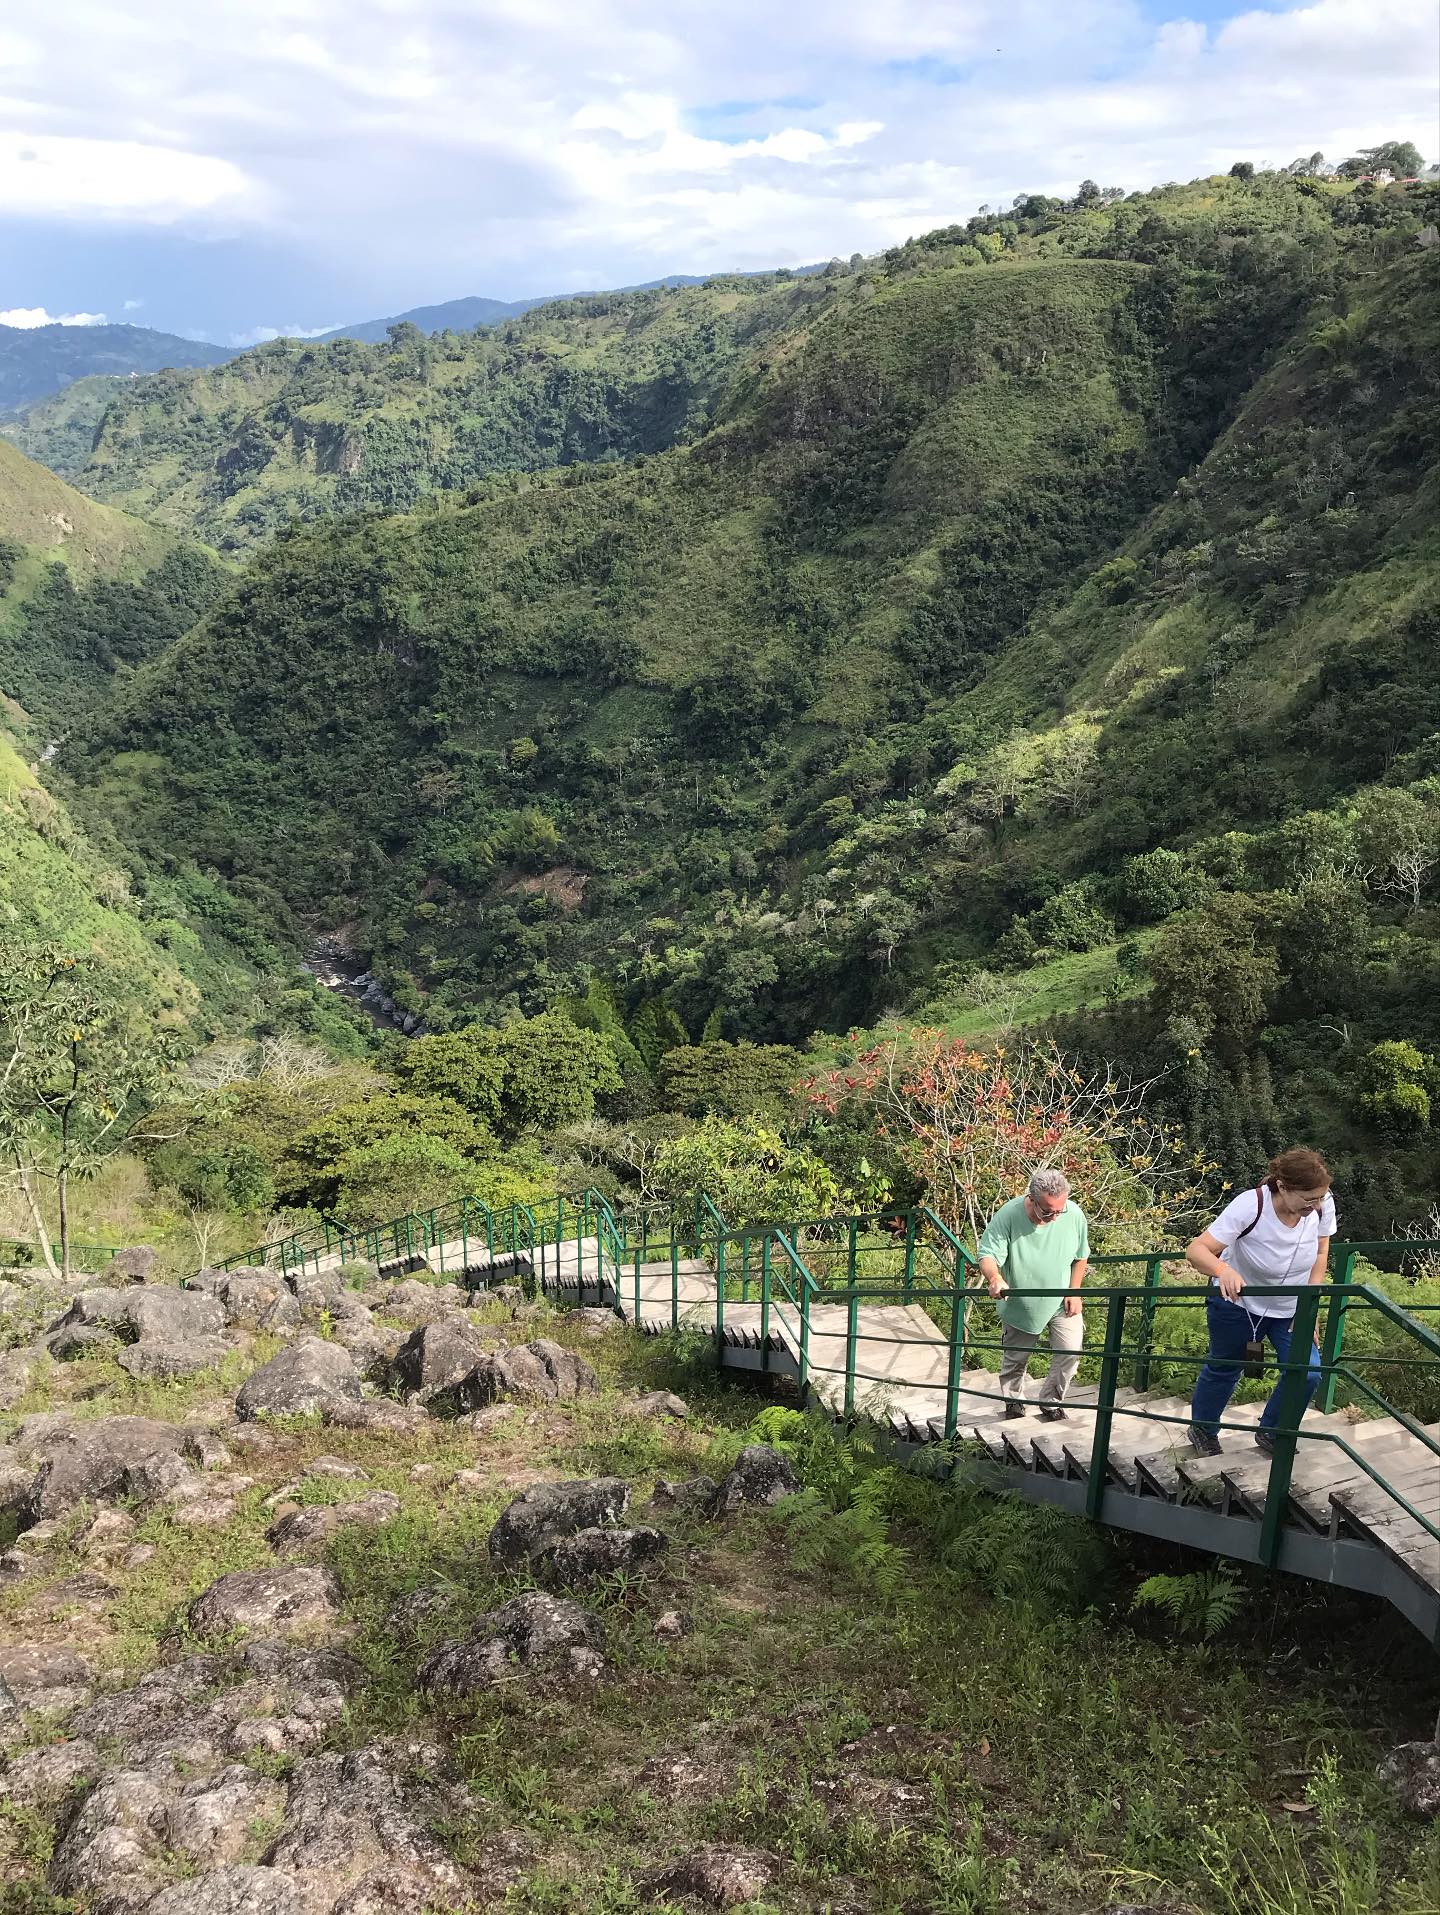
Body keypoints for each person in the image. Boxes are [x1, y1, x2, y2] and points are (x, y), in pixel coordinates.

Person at [1185, 1147, 1335, 1457]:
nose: (1315, 1204)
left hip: (1290, 1308)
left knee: (1308, 1371)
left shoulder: (1322, 1204)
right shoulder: (1251, 1204)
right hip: (1238, 1305)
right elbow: (1197, 1250)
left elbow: (1321, 1252)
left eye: (1319, 1197)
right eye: (1308, 1199)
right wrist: (1222, 1269)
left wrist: (1310, 1305)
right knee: (1225, 1367)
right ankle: (1203, 1428)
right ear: (1282, 1187)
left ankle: (1273, 1429)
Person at [976, 1168, 1089, 1422]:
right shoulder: (1009, 1214)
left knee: (1071, 1351)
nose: (1054, 1217)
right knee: (1016, 1358)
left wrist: (1075, 1291)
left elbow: (1081, 1256)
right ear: (1032, 1198)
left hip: (1061, 1299)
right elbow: (988, 1254)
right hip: (1021, 1302)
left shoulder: (1074, 1215)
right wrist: (995, 1278)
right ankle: (1014, 1402)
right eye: (1047, 1211)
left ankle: (1051, 1402)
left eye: (1059, 1211)